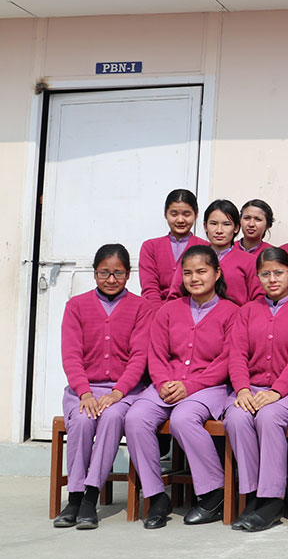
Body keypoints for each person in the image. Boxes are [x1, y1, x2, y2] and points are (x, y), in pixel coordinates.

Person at [125, 246, 239, 529]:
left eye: (201, 271)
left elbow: (228, 360)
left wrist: (190, 386)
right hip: (166, 383)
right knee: (135, 418)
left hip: (208, 386)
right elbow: (157, 353)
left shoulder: (232, 312)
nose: (194, 278)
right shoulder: (167, 311)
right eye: (187, 272)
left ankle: (214, 493)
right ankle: (155, 496)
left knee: (182, 418)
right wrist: (164, 383)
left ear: (217, 273)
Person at [54, 244, 153, 530]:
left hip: (124, 392)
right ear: (94, 273)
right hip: (82, 390)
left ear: (129, 274)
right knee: (83, 422)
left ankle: (90, 497)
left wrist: (117, 393)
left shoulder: (141, 307)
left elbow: (139, 357)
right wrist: (84, 392)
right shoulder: (76, 306)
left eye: (118, 273)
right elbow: (71, 354)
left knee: (110, 417)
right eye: (104, 273)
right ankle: (74, 497)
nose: (111, 280)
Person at [225, 247, 288, 532]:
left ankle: (272, 500)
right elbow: (237, 353)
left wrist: (276, 391)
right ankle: (252, 495)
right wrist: (241, 389)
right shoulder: (248, 311)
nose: (272, 279)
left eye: (278, 273)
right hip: (250, 387)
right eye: (265, 274)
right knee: (237, 418)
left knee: (269, 417)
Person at [138, 189, 205, 310]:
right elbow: (149, 288)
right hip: (156, 312)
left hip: (192, 311)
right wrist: (160, 315)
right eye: (174, 214)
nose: (180, 220)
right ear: (165, 214)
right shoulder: (150, 247)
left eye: (186, 214)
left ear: (196, 214)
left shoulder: (205, 247)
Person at [203, 199, 261, 306]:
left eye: (226, 224)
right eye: (213, 224)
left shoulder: (250, 261)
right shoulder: (194, 258)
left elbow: (259, 299)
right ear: (205, 226)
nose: (219, 230)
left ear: (236, 228)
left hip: (237, 320)